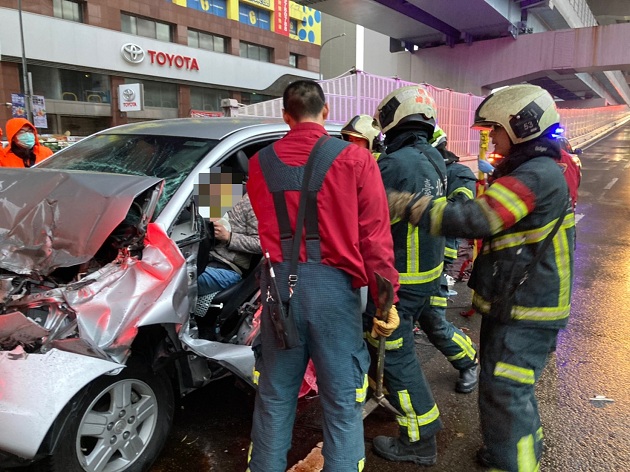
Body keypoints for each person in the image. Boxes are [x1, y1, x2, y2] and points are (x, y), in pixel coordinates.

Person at [388, 84, 575, 471]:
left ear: (522, 126)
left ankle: (516, 464)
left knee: (506, 394)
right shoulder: (533, 171)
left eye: (495, 129)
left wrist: (406, 204)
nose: (491, 138)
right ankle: (513, 450)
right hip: (518, 302)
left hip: (528, 308)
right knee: (508, 391)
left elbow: (475, 218)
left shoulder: (535, 176)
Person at [246, 80, 400, 472]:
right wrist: (386, 302)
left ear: (285, 115)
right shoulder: (355, 159)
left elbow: (230, 209)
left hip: (279, 290)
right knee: (342, 402)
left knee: (275, 399)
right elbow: (375, 238)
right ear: (326, 112)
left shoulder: (258, 163)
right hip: (334, 294)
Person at [368, 84, 445, 466]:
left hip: (399, 280)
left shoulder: (394, 165)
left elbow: (365, 219)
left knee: (396, 356)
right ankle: (403, 407)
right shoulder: (433, 157)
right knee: (398, 350)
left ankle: (419, 439)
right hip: (425, 275)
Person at [420, 125, 479, 393]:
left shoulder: (458, 172)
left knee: (433, 321)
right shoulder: (416, 169)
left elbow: (460, 209)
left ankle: (469, 362)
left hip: (439, 262)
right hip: (411, 261)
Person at [197, 193, 261, 296]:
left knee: (178, 281)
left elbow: (261, 244)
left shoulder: (253, 200)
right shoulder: (215, 192)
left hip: (227, 269)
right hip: (202, 258)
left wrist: (228, 237)